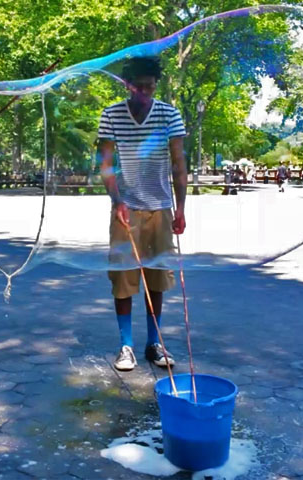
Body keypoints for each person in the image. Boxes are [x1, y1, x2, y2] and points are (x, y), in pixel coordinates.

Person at [97, 57, 187, 371]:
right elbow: (106, 165)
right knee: (123, 279)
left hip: (160, 208)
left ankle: (154, 343)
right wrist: (116, 199)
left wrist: (181, 208)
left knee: (156, 280)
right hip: (126, 209)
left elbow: (178, 164)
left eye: (150, 86)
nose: (145, 92)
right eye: (139, 86)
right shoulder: (111, 115)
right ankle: (126, 346)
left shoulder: (169, 114)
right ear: (127, 85)